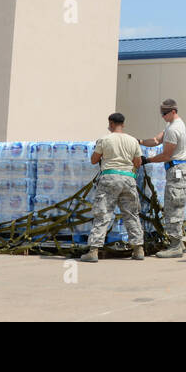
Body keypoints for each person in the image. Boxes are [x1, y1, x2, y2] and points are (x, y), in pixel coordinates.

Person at [82, 112, 145, 263]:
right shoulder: (132, 141)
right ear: (123, 124)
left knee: (102, 214)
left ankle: (94, 251)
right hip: (128, 179)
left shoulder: (104, 139)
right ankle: (138, 249)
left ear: (111, 123)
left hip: (109, 177)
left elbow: (94, 160)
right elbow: (138, 163)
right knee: (131, 214)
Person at [140, 99, 186, 258]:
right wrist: (139, 142)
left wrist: (147, 160)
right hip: (175, 171)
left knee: (173, 207)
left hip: (177, 170)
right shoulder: (172, 125)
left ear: (173, 111)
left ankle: (175, 246)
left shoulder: (174, 129)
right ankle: (177, 244)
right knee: (172, 206)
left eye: (165, 114)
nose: (162, 116)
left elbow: (166, 155)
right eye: (161, 113)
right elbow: (156, 140)